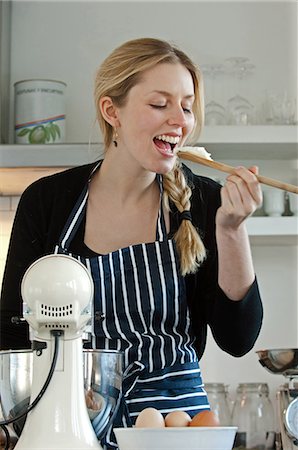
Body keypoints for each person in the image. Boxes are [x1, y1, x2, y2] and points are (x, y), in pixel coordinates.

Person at [0, 37, 263, 448]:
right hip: (74, 424)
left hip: (179, 432)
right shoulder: (48, 201)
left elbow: (238, 340)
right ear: (112, 111)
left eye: (188, 106)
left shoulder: (206, 199)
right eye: (160, 104)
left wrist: (231, 230)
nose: (180, 120)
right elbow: (11, 335)